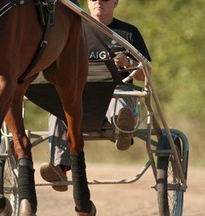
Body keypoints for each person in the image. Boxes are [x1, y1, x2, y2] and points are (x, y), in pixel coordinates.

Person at [40, 0, 151, 191]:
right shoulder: (74, 30)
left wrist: (128, 63)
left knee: (118, 94)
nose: (99, 1)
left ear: (115, 2)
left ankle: (122, 128)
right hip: (80, 96)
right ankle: (59, 167)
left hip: (115, 93)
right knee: (59, 106)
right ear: (88, 3)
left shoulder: (129, 33)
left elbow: (146, 74)